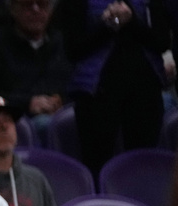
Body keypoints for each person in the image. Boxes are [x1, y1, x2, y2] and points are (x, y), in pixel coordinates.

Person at [58, 0, 170, 177]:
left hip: (144, 90)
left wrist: (131, 19)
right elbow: (73, 48)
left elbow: (162, 41)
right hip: (95, 92)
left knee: (144, 165)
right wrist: (109, 24)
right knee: (97, 164)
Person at [0, 0, 71, 143]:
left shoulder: (63, 44)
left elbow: (74, 85)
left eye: (42, 4)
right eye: (27, 5)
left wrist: (62, 101)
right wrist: (26, 103)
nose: (35, 10)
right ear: (13, 9)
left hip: (58, 119)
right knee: (44, 125)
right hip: (9, 118)